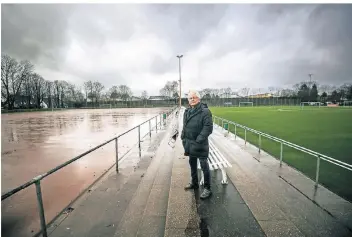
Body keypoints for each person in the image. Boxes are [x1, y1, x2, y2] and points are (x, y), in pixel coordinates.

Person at [181, 89, 213, 199]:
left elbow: (208, 128)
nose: (192, 99)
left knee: (204, 165)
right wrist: (182, 136)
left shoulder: (205, 111)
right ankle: (194, 183)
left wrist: (199, 139)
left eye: (194, 97)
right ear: (188, 100)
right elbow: (185, 126)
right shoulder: (187, 111)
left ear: (198, 99)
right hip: (189, 143)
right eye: (190, 98)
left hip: (200, 144)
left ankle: (207, 188)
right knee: (192, 163)